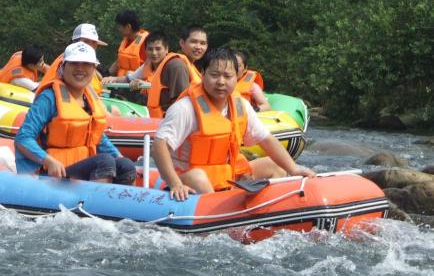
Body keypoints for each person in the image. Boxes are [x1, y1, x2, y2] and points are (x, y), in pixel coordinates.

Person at [152, 47, 315, 201]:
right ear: (202, 74)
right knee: (198, 177)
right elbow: (160, 145)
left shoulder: (241, 106)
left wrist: (294, 168)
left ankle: (259, 211)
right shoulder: (185, 108)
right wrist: (175, 183)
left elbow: (266, 139)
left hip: (226, 176)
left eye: (227, 76)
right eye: (214, 75)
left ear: (237, 77)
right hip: (188, 178)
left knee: (275, 167)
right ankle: (217, 217)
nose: (221, 82)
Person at [15, 42, 136, 184]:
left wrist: (119, 156)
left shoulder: (89, 97)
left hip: (79, 168)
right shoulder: (49, 98)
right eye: (74, 64)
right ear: (63, 67)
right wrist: (49, 161)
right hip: (51, 173)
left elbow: (97, 138)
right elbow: (23, 138)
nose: (80, 69)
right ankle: (94, 204)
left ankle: (120, 204)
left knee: (126, 165)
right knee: (104, 162)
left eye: (86, 64)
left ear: (93, 69)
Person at [102, 31, 188, 118]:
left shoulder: (174, 66)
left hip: (171, 115)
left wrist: (146, 84)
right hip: (154, 113)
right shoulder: (148, 64)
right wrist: (113, 78)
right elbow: (129, 79)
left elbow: (181, 99)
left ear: (166, 49)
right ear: (146, 50)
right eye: (150, 49)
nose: (154, 53)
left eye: (158, 49)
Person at [40, 23, 107, 93]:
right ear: (76, 42)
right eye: (87, 42)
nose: (93, 46)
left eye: (95, 43)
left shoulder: (87, 62)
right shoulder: (66, 61)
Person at [108, 10, 148, 77]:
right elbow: (119, 61)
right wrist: (106, 74)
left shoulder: (147, 42)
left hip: (138, 84)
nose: (118, 29)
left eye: (119, 26)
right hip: (121, 84)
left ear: (128, 27)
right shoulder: (126, 39)